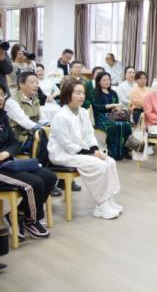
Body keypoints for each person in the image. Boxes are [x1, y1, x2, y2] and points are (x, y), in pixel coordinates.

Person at [48, 79, 123, 220]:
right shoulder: (61, 116)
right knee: (101, 166)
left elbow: (89, 134)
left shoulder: (83, 111)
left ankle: (109, 200)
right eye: (77, 93)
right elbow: (68, 145)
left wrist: (95, 149)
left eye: (83, 93)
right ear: (68, 95)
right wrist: (91, 154)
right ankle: (101, 205)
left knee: (110, 162)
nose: (82, 96)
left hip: (81, 151)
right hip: (63, 154)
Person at [0, 84, 57, 239]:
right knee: (34, 183)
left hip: (9, 162)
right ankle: (31, 219)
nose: (0, 99)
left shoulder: (3, 116)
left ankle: (19, 214)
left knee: (49, 177)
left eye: (2, 95)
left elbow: (15, 143)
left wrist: (6, 153)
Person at [90, 72, 132, 160]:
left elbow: (116, 105)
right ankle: (113, 153)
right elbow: (96, 107)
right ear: (99, 82)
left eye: (108, 80)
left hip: (113, 115)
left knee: (127, 124)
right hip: (101, 116)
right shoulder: (94, 93)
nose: (107, 82)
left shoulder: (113, 93)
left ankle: (126, 151)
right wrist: (111, 105)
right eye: (104, 80)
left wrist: (118, 108)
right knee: (114, 125)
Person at [5, 72, 49, 154]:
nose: (36, 85)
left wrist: (49, 126)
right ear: (21, 84)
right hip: (19, 138)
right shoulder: (12, 101)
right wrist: (44, 129)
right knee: (48, 144)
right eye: (32, 82)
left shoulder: (34, 97)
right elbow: (24, 122)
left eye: (37, 82)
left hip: (34, 134)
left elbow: (42, 117)